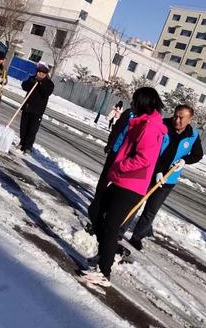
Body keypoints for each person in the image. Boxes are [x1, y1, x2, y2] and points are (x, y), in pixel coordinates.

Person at [82, 87, 166, 287]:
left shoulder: (150, 126)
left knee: (111, 226)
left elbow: (144, 158)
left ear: (143, 103)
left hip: (131, 185)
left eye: (135, 101)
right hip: (122, 180)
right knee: (95, 210)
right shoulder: (142, 122)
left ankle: (104, 272)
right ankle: (106, 254)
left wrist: (120, 166)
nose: (132, 105)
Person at [128, 104, 203, 250]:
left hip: (168, 179)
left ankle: (137, 237)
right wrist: (158, 170)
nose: (177, 120)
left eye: (182, 118)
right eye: (176, 116)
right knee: (134, 203)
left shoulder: (193, 135)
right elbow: (150, 149)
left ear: (190, 119)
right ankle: (119, 231)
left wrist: (184, 160)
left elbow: (198, 154)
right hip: (148, 172)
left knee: (151, 210)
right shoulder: (162, 126)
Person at [87, 107, 134, 232]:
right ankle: (97, 203)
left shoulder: (144, 120)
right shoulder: (129, 113)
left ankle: (104, 210)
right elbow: (117, 128)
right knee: (105, 178)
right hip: (116, 150)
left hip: (126, 157)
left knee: (117, 184)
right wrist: (110, 143)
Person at [19, 62, 55, 154]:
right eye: (39, 72)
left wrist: (40, 83)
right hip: (27, 107)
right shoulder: (32, 79)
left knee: (32, 130)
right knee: (23, 128)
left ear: (46, 74)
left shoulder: (49, 84)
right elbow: (24, 86)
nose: (40, 74)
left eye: (42, 73)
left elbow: (46, 92)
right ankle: (22, 142)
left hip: (37, 111)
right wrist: (30, 82)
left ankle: (28, 146)